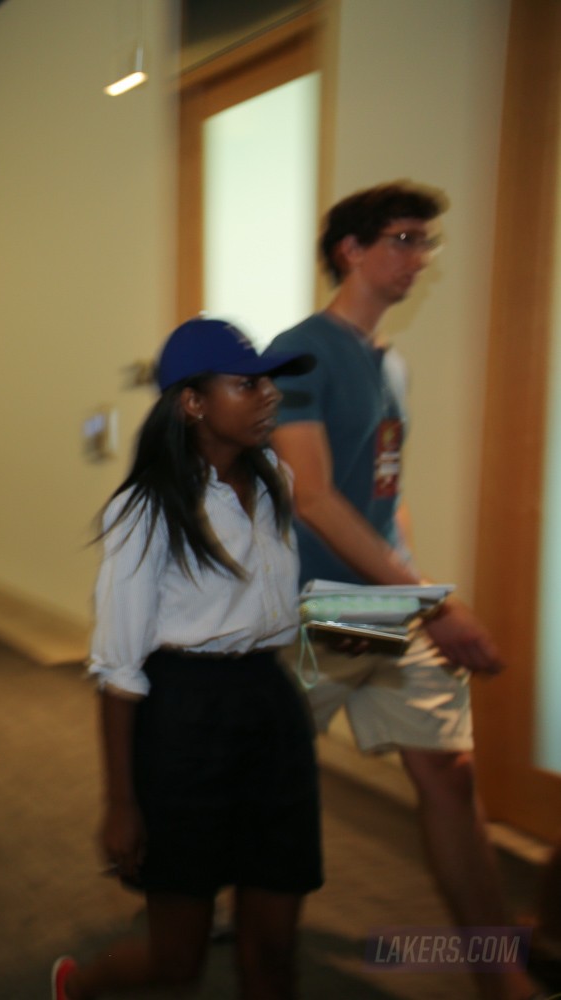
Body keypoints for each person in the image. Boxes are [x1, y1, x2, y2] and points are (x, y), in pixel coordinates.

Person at [268, 182, 539, 1000]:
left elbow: (386, 495)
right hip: (303, 609)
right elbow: (310, 495)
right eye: (405, 239)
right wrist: (437, 602)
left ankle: (500, 975)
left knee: (450, 777)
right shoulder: (299, 351)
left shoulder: (391, 366)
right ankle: (188, 908)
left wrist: (416, 588)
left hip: (379, 604)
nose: (420, 257)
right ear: (351, 249)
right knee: (255, 778)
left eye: (427, 243)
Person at [52, 318, 322, 1000]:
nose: (268, 396)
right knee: (179, 962)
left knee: (275, 947)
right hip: (183, 722)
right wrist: (121, 804)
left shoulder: (274, 485)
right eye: (247, 384)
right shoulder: (147, 511)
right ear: (192, 402)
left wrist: (335, 625)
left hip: (270, 710)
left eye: (270, 383)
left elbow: (268, 609)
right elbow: (117, 671)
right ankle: (78, 990)